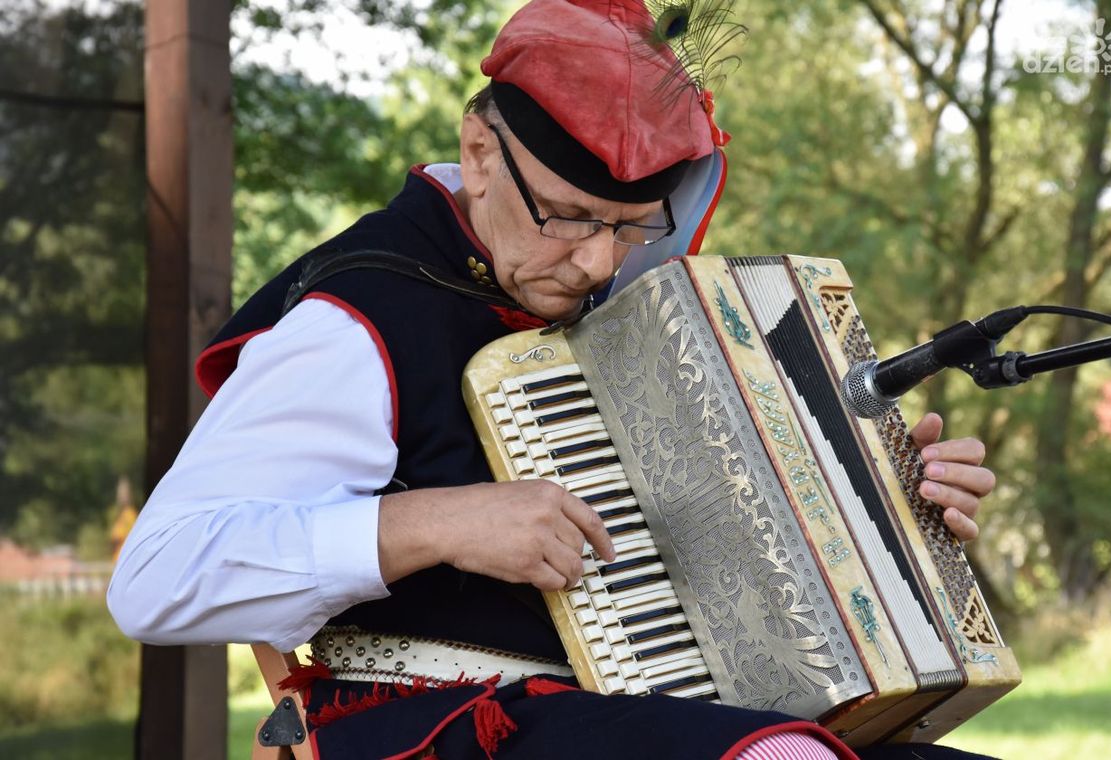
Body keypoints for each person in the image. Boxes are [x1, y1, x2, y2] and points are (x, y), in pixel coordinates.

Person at [109, 1, 997, 758]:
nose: (598, 263)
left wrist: (887, 502)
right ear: (479, 152)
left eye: (632, 226)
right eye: (569, 217)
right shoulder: (357, 317)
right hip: (441, 721)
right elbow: (155, 579)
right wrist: (434, 523)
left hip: (647, 716)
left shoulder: (649, 311)